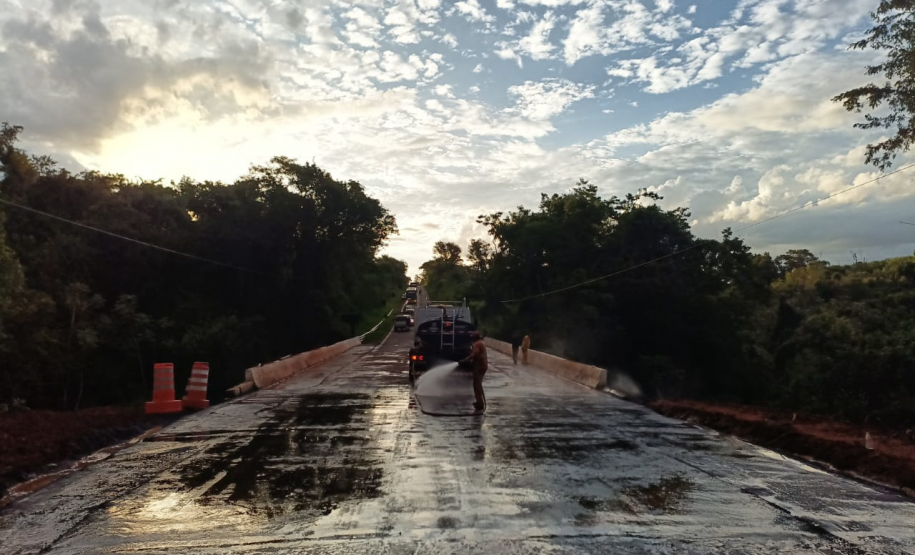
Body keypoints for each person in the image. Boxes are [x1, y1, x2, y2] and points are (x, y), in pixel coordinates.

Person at [461, 331, 488, 412]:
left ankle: (480, 404)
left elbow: (475, 353)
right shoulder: (481, 343)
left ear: (474, 338)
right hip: (481, 366)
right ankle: (479, 402)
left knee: (477, 385)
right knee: (477, 384)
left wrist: (466, 359)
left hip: (480, 367)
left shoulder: (477, 344)